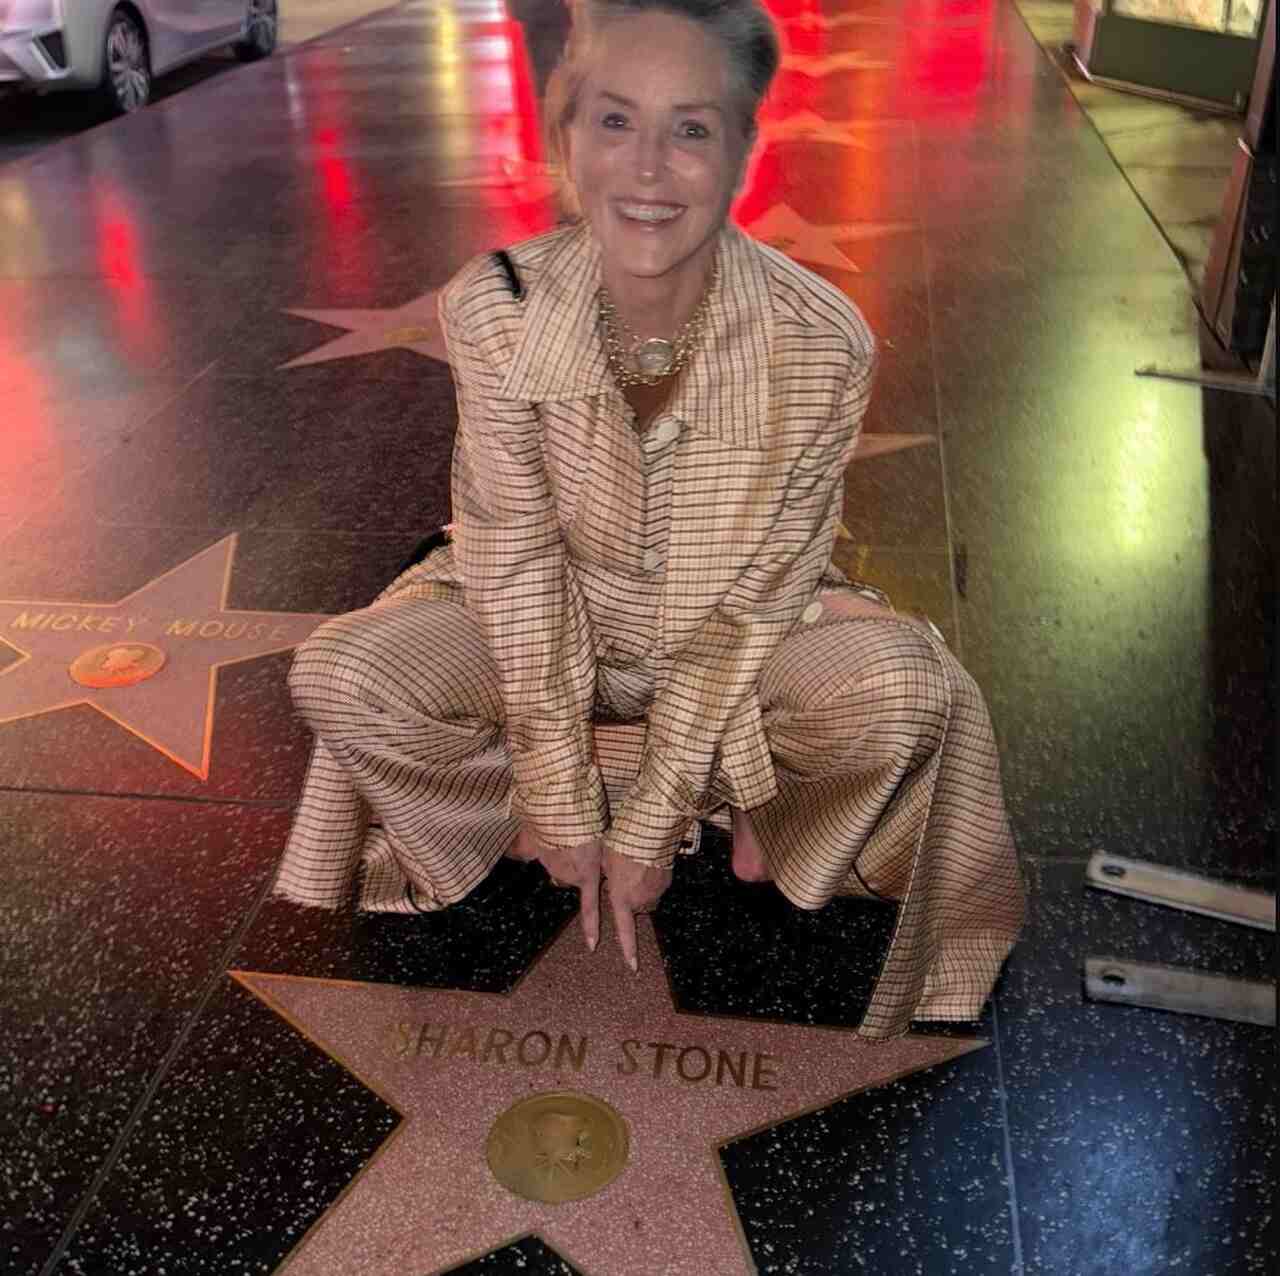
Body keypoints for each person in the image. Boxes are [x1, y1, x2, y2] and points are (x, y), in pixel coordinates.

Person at [276, 0, 1025, 1041]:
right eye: (614, 122)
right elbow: (514, 551)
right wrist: (555, 792)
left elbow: (751, 611)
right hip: (550, 614)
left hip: (733, 637)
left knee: (900, 696)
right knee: (343, 676)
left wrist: (653, 816)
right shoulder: (492, 304)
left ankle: (745, 815)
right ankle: (583, 816)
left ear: (740, 149)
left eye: (690, 128)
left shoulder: (822, 343)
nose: (646, 170)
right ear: (565, 136)